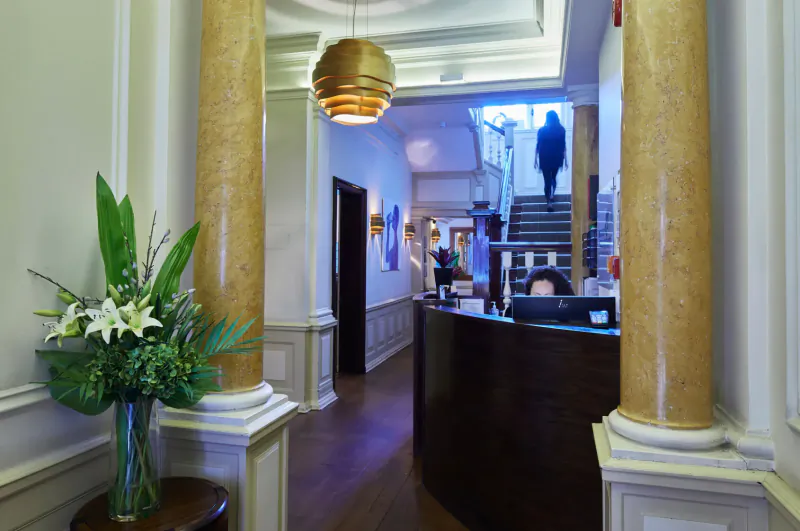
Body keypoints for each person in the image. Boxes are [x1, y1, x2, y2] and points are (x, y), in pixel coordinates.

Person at [534, 110, 568, 212]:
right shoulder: (561, 130)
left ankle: (549, 201)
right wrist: (566, 160)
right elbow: (563, 146)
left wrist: (535, 159)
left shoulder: (542, 130)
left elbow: (538, 145)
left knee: (547, 180)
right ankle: (551, 195)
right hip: (556, 157)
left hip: (544, 157)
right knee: (553, 178)